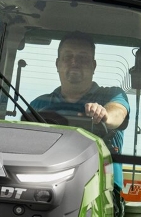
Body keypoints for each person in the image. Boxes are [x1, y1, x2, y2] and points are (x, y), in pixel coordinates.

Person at [28, 33, 129, 187]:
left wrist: (104, 114)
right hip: (47, 184)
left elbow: (118, 112)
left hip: (103, 189)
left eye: (83, 58)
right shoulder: (38, 105)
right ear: (57, 64)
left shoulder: (112, 95)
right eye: (68, 57)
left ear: (93, 66)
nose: (74, 62)